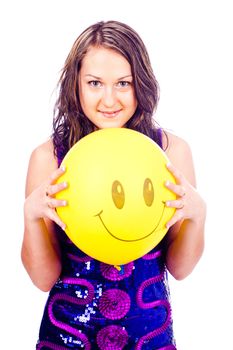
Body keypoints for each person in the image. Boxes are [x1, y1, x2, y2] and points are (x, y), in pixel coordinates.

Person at [21, 20, 206, 350]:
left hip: (149, 336)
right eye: (94, 83)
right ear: (76, 84)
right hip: (67, 336)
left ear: (142, 84)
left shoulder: (171, 153)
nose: (110, 99)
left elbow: (180, 269)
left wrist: (197, 215)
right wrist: (32, 217)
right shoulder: (49, 158)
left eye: (123, 83)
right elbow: (42, 278)